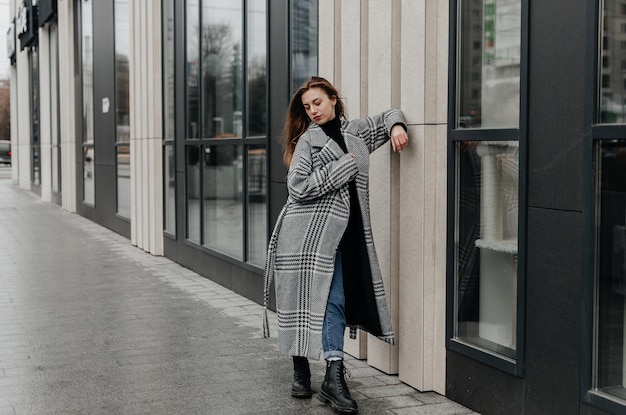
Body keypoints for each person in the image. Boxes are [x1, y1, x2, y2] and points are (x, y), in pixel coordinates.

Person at [263, 76, 409, 414]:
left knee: (332, 301)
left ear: (333, 99)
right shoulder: (306, 142)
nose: (312, 110)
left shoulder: (356, 133)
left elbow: (389, 114)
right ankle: (306, 370)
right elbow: (297, 186)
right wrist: (344, 167)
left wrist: (397, 126)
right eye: (307, 106)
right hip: (304, 238)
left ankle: (330, 374)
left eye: (317, 102)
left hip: (345, 236)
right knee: (305, 303)